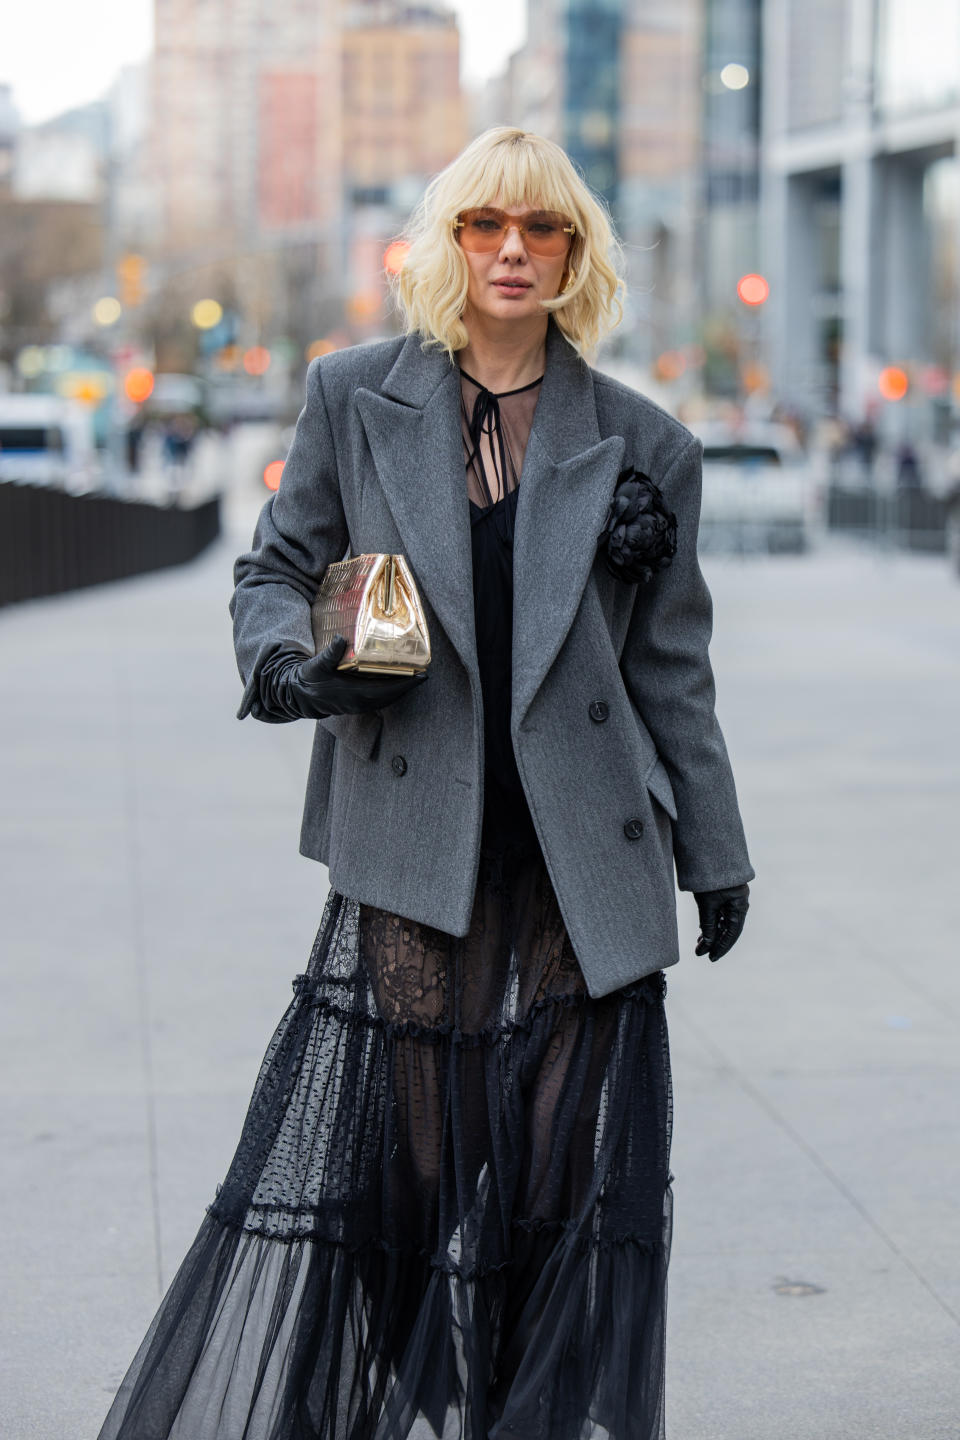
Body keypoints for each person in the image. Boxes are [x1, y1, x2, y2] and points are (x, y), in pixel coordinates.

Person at [97, 127, 754, 1440]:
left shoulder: (645, 444)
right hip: (414, 835)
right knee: (416, 1165)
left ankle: (532, 1416)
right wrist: (293, 668)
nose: (514, 250)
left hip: (586, 851)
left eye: (543, 230)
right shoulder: (355, 394)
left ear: (576, 254)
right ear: (449, 243)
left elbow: (674, 669)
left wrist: (717, 849)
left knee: (562, 1182)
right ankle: (406, 1388)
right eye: (485, 226)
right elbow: (271, 568)